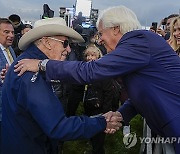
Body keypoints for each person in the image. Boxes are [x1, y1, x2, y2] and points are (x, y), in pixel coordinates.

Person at [15, 6, 180, 153]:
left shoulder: (138, 41)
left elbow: (91, 70)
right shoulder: (138, 45)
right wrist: (121, 115)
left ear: (116, 29)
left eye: (101, 33)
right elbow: (143, 92)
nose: (99, 39)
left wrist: (44, 65)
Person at [2, 17, 122, 154]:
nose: (69, 49)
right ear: (46, 42)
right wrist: (101, 122)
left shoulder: (29, 63)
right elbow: (58, 127)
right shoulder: (30, 72)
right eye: (65, 43)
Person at [83, 44, 115, 154]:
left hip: (100, 110)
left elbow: (108, 93)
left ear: (98, 56)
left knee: (98, 138)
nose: (90, 57)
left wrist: (105, 112)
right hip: (89, 107)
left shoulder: (103, 72)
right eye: (88, 55)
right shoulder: (85, 71)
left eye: (93, 55)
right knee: (92, 131)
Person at [0, 18, 16, 152]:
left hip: (9, 107)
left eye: (12, 32)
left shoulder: (11, 50)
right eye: (6, 32)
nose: (11, 35)